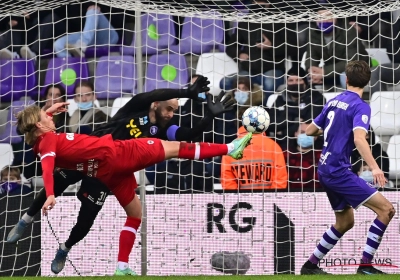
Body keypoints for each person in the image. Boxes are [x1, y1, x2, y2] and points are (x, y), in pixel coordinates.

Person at [7, 77, 237, 275]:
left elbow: (189, 135)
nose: (171, 114)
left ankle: (66, 248)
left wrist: (209, 118)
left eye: (175, 110)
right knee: (57, 180)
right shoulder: (136, 108)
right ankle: (25, 219)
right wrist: (186, 92)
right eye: (169, 108)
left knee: (87, 218)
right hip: (90, 157)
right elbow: (157, 93)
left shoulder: (164, 129)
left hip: (114, 170)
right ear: (156, 105)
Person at [300, 60, 395, 275]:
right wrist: (376, 168)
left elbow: (310, 131)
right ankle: (365, 266)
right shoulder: (361, 106)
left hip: (324, 169)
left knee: (345, 222)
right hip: (339, 171)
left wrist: (333, 133)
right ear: (368, 81)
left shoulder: (334, 101)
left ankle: (310, 265)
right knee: (386, 209)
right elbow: (360, 139)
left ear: (347, 79)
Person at [221, 126, 287, 190]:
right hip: (269, 200)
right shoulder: (273, 146)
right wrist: (271, 199)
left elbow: (228, 183)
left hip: (242, 200)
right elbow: (280, 179)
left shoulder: (230, 149)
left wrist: (239, 200)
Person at [284, 122, 323, 191]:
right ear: (296, 134)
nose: (306, 135)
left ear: (316, 136)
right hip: (289, 197)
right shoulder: (285, 155)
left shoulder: (322, 157)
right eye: (302, 132)